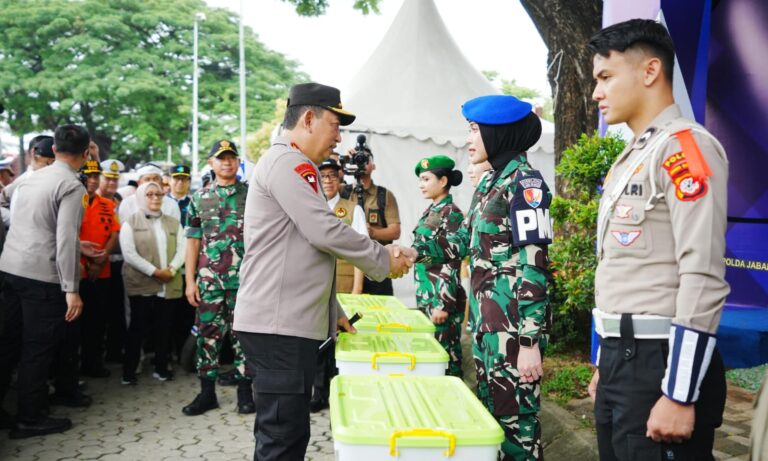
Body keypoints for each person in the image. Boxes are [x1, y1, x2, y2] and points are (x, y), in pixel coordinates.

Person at [233, 82, 414, 460]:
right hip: (278, 326)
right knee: (281, 440)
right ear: (309, 119)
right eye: (335, 124)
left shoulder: (292, 163)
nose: (338, 137)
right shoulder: (290, 162)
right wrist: (383, 259)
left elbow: (301, 252)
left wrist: (333, 311)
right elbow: (323, 231)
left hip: (283, 322)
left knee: (289, 433)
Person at [586, 19, 729, 461]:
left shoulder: (684, 149)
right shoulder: (633, 156)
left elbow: (702, 273)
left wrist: (680, 393)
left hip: (658, 363)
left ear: (650, 71)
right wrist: (603, 362)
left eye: (605, 77)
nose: (596, 93)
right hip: (621, 360)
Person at [412, 95, 552, 460]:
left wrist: (529, 341)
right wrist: (411, 253)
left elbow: (534, 263)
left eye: (475, 130)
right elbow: (465, 247)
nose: (469, 139)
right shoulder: (490, 185)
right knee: (493, 427)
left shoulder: (525, 185)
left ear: (498, 132)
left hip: (513, 334)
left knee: (518, 431)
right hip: (488, 329)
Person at [0, 124, 91, 438]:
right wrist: (72, 289)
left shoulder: (29, 178)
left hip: (9, 269)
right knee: (36, 349)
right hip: (41, 277)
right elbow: (65, 240)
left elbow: (6, 199)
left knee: (8, 342)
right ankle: (29, 417)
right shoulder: (72, 186)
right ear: (85, 152)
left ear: (54, 149)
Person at [182, 140, 253, 416]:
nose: (227, 162)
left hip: (244, 282)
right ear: (211, 163)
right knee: (207, 337)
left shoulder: (251, 195)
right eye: (221, 158)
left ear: (237, 162)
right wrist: (190, 281)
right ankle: (207, 393)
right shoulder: (199, 198)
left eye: (231, 157)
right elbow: (192, 241)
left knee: (244, 337)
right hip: (210, 282)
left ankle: (245, 392)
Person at [308, 158, 368, 414]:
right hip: (319, 289)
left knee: (344, 346)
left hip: (345, 285)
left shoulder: (353, 209)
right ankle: (320, 393)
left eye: (333, 176)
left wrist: (356, 291)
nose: (328, 181)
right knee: (320, 344)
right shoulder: (310, 207)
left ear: (340, 179)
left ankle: (343, 395)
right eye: (323, 176)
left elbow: (362, 253)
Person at [120, 181, 185, 384]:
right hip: (142, 284)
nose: (155, 198)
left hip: (168, 283)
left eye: (158, 194)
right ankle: (129, 372)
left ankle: (161, 367)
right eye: (149, 194)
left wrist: (172, 269)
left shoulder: (173, 222)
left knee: (164, 328)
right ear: (141, 197)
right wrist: (155, 272)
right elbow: (129, 254)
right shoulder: (130, 222)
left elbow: (182, 248)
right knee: (137, 329)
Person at [412, 155, 466, 378]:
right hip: (427, 294)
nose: (421, 184)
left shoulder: (451, 213)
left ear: (443, 181)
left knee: (447, 358)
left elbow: (453, 260)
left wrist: (442, 304)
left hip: (441, 298)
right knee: (432, 356)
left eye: (426, 179)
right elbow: (430, 258)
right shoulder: (432, 211)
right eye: (420, 179)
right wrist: (413, 259)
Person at [78, 160, 120, 378]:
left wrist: (101, 258)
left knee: (97, 321)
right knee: (76, 325)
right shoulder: (74, 200)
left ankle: (92, 364)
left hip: (102, 272)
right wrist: (88, 260)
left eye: (95, 176)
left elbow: (114, 232)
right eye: (88, 176)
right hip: (78, 273)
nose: (92, 181)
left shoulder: (108, 204)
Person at [343, 144, 401, 295]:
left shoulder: (384, 195)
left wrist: (372, 232)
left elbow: (395, 231)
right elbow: (325, 179)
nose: (361, 162)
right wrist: (342, 163)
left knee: (381, 314)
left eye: (365, 159)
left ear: (373, 165)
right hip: (349, 269)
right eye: (356, 159)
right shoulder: (343, 192)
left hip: (377, 265)